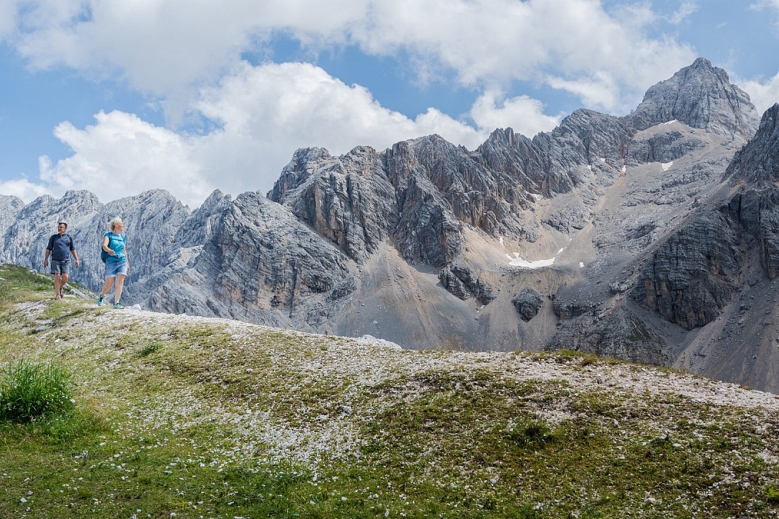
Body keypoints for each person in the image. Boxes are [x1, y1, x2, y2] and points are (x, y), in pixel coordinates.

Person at [97, 217, 130, 309]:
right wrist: (109, 250)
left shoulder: (123, 237)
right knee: (109, 283)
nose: (123, 225)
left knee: (120, 281)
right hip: (111, 261)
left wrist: (127, 263)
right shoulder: (108, 235)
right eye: (121, 223)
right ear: (116, 225)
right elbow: (104, 245)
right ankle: (102, 295)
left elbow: (124, 250)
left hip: (122, 260)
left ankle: (116, 303)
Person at [43, 220, 80, 300]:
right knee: (57, 276)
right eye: (58, 227)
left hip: (66, 260)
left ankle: (60, 287)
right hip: (55, 260)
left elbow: (72, 249)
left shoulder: (69, 238)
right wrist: (46, 259)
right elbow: (48, 249)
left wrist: (76, 259)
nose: (59, 228)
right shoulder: (53, 238)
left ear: (65, 229)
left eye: (61, 227)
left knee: (65, 277)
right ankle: (58, 294)